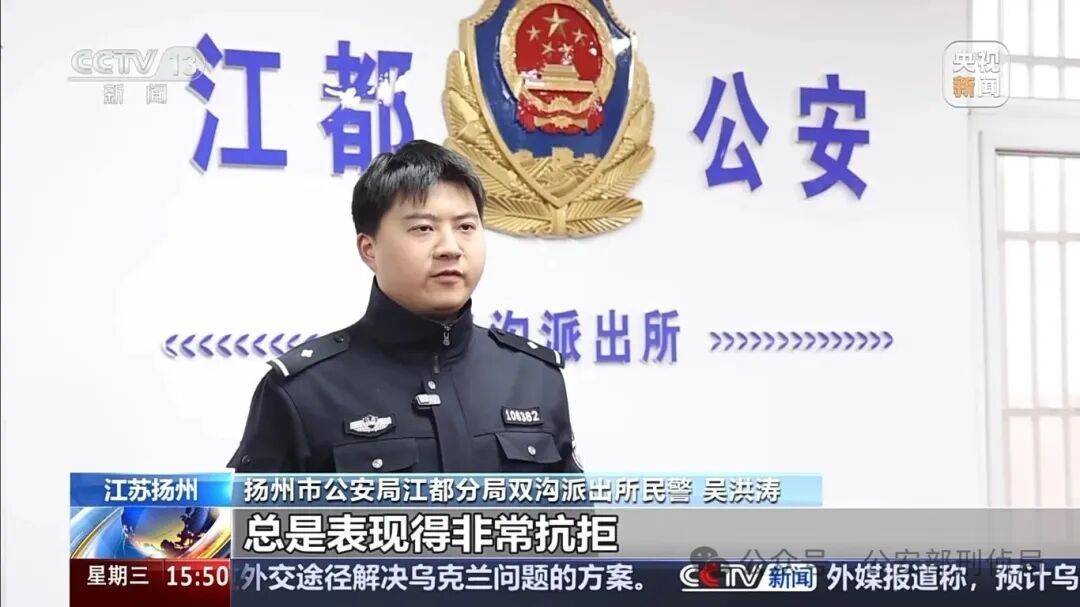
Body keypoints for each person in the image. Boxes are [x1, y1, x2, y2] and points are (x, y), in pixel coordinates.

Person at [227, 140, 582, 473]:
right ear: (369, 249)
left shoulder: (534, 376)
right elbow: (253, 518)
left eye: (466, 227)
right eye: (424, 228)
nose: (450, 248)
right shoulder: (304, 390)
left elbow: (572, 517)